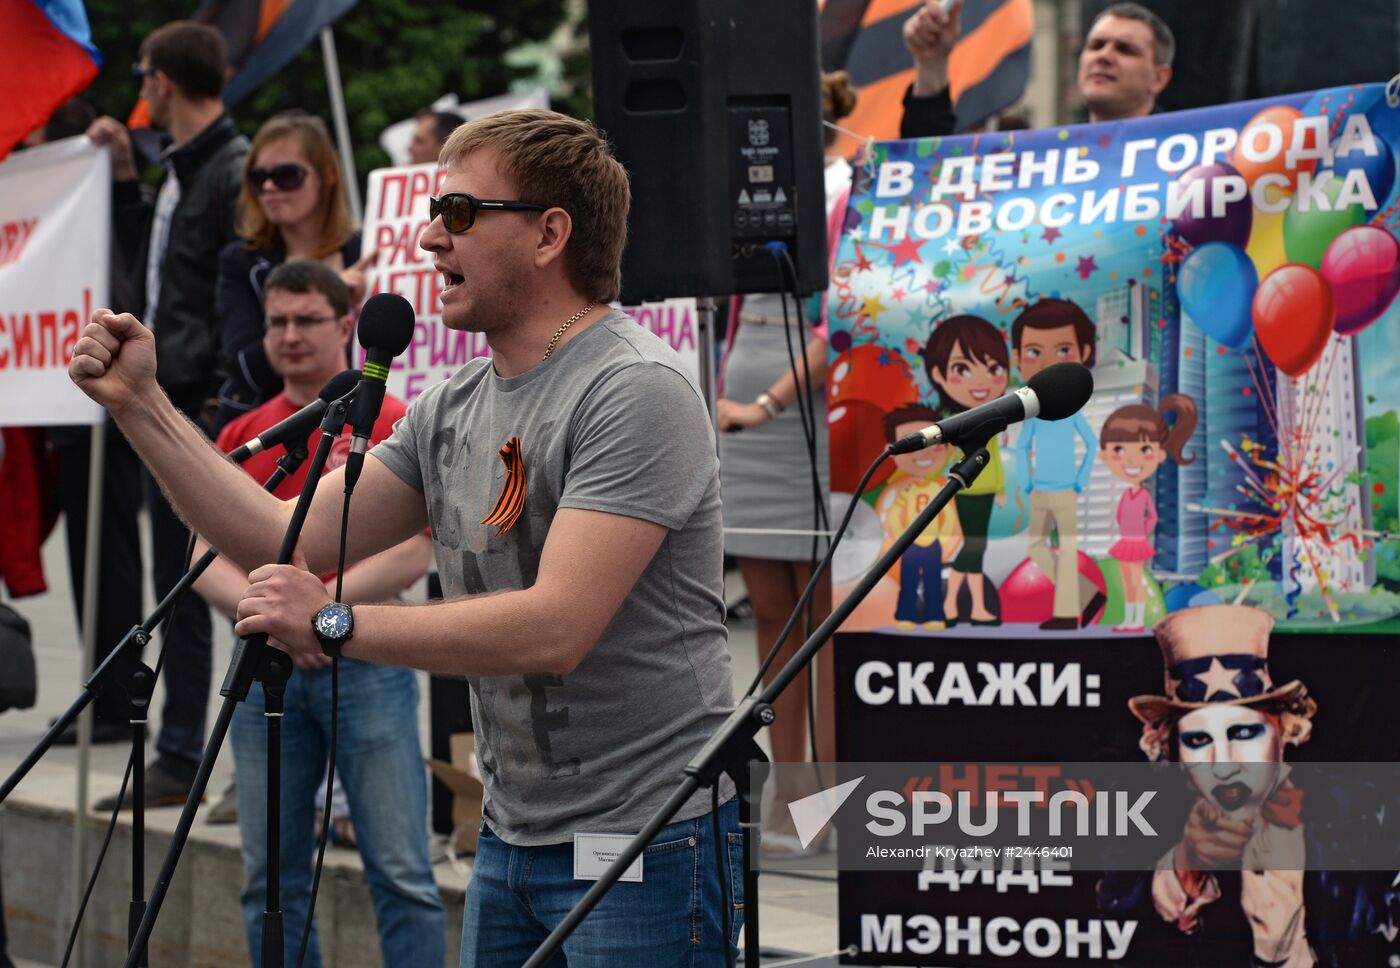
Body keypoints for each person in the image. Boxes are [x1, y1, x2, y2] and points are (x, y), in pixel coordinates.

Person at [69, 108, 741, 965]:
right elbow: (286, 534)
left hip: (648, 839)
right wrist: (142, 405)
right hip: (512, 835)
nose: (428, 238)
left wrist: (333, 623)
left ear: (549, 234)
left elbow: (555, 627)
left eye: (459, 214)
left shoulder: (634, 389)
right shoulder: (455, 401)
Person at [193, 261, 443, 966]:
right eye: (277, 321)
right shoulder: (246, 429)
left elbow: (411, 558)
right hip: (262, 661)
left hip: (362, 658)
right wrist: (276, 617)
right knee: (269, 880)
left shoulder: (393, 418)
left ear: (344, 327)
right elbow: (198, 557)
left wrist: (321, 613)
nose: (290, 335)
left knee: (401, 873)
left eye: (307, 320)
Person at [85, 20, 249, 809]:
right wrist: (123, 176)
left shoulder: (230, 169)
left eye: (145, 74)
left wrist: (217, 400)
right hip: (169, 394)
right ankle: (181, 745)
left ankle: (184, 752)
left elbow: (233, 293)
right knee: (173, 580)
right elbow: (152, 266)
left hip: (196, 405)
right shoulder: (183, 168)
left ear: (163, 83)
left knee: (190, 581)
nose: (140, 87)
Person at [1096, 605, 1399, 966]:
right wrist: (1185, 869)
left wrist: (1287, 955)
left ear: (1285, 730)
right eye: (1197, 741)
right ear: (1172, 751)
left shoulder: (1365, 810)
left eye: (1242, 733)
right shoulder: (1139, 820)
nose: (1222, 764)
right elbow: (1115, 920)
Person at [715, 72, 857, 846]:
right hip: (741, 414)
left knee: (821, 623)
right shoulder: (740, 202)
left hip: (802, 417)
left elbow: (840, 328)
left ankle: (825, 803)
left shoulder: (842, 196)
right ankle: (786, 794)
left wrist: (764, 403)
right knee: (771, 618)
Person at [17, 98, 146, 746]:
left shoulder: (96, 188)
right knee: (90, 555)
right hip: (69, 408)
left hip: (98, 407)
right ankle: (107, 690)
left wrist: (116, 175)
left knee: (107, 555)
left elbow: (133, 250)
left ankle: (117, 700)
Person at [212, 111, 369, 433]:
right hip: (270, 433)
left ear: (326, 176)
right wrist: (327, 298)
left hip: (363, 428)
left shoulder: (370, 250)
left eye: (287, 175)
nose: (269, 187)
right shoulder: (240, 262)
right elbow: (245, 364)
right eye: (258, 177)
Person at [899, 0, 1175, 137]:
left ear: (1159, 78)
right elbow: (931, 172)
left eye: (1125, 49)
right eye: (1096, 45)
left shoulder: (1190, 163)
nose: (1104, 56)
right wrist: (931, 64)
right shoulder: (1044, 161)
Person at [1010, 298, 1102, 631]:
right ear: (1018, 360)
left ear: (1084, 354)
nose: (1049, 362)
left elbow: (1092, 444)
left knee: (1067, 550)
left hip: (1065, 490)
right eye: (1035, 352)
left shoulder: (1071, 411)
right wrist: (1026, 481)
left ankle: (1067, 614)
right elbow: (1022, 447)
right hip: (1040, 490)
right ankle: (1086, 595)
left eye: (1063, 350)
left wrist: (1080, 480)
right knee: (1036, 547)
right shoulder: (1033, 412)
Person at [921, 315, 1009, 626]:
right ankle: (952, 604)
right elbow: (948, 455)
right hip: (966, 487)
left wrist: (999, 489)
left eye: (994, 368)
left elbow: (993, 456)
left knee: (978, 545)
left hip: (986, 488)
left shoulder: (996, 413)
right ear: (938, 375)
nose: (981, 380)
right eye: (962, 369)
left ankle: (969, 608)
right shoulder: (952, 419)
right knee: (975, 545)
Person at [1099, 395, 1198, 633]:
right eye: (1119, 450)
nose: (1131, 459)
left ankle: (1136, 620)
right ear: (1105, 455)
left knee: (1136, 583)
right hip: (1125, 542)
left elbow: (1152, 517)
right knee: (1127, 582)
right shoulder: (1127, 494)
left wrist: (1141, 533)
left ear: (1160, 454)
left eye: (1144, 449)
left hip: (1137, 543)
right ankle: (1129, 619)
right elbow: (1121, 516)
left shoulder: (1143, 495)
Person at [876, 404, 961, 631]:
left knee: (933, 582)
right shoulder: (902, 490)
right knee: (909, 582)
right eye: (914, 444)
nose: (923, 453)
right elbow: (894, 515)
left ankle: (935, 615)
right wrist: (901, 538)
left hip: (933, 545)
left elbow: (950, 519)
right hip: (909, 545)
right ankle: (906, 615)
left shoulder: (940, 488)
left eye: (933, 444)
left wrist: (942, 542)